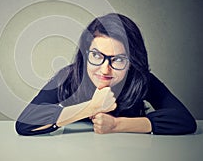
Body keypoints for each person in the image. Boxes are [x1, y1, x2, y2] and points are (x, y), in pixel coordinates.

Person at [15, 13, 197, 136]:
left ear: (132, 61)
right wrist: (90, 108)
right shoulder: (69, 76)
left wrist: (117, 125)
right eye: (96, 56)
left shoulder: (139, 78)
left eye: (117, 59)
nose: (104, 69)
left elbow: (184, 120)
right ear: (85, 53)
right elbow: (25, 122)